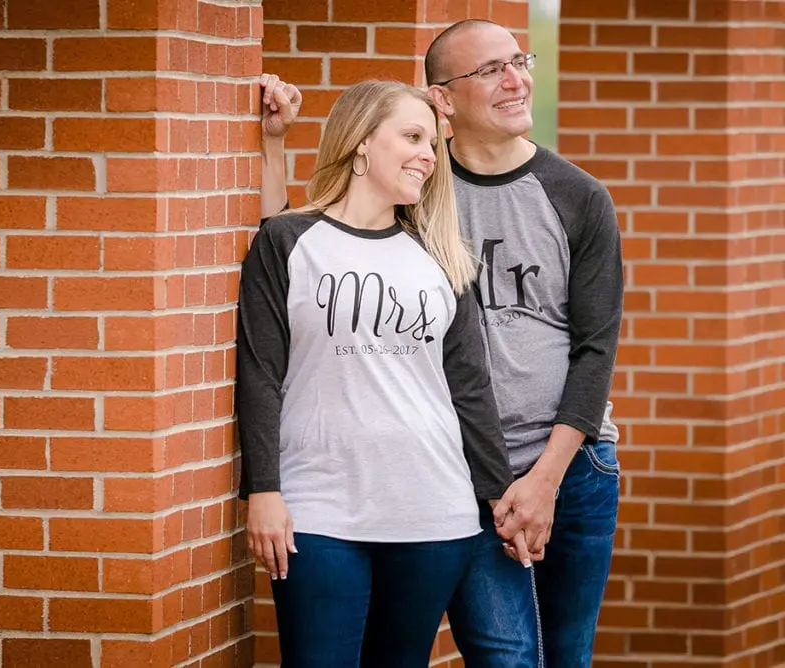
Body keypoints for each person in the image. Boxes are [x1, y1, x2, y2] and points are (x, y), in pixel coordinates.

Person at [260, 18, 625, 668]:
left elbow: (595, 352)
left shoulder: (578, 197)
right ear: (443, 98)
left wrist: (542, 481)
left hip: (564, 468)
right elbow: (307, 243)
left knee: (566, 654)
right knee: (506, 657)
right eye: (490, 69)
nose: (515, 80)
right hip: (464, 476)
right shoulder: (418, 195)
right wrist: (273, 146)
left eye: (519, 61)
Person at [237, 78, 519, 667]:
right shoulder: (290, 241)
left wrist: (498, 497)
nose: (428, 154)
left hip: (432, 512)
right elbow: (261, 373)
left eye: (431, 144)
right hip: (318, 509)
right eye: (412, 136)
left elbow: (470, 390)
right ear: (362, 143)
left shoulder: (443, 257)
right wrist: (263, 489)